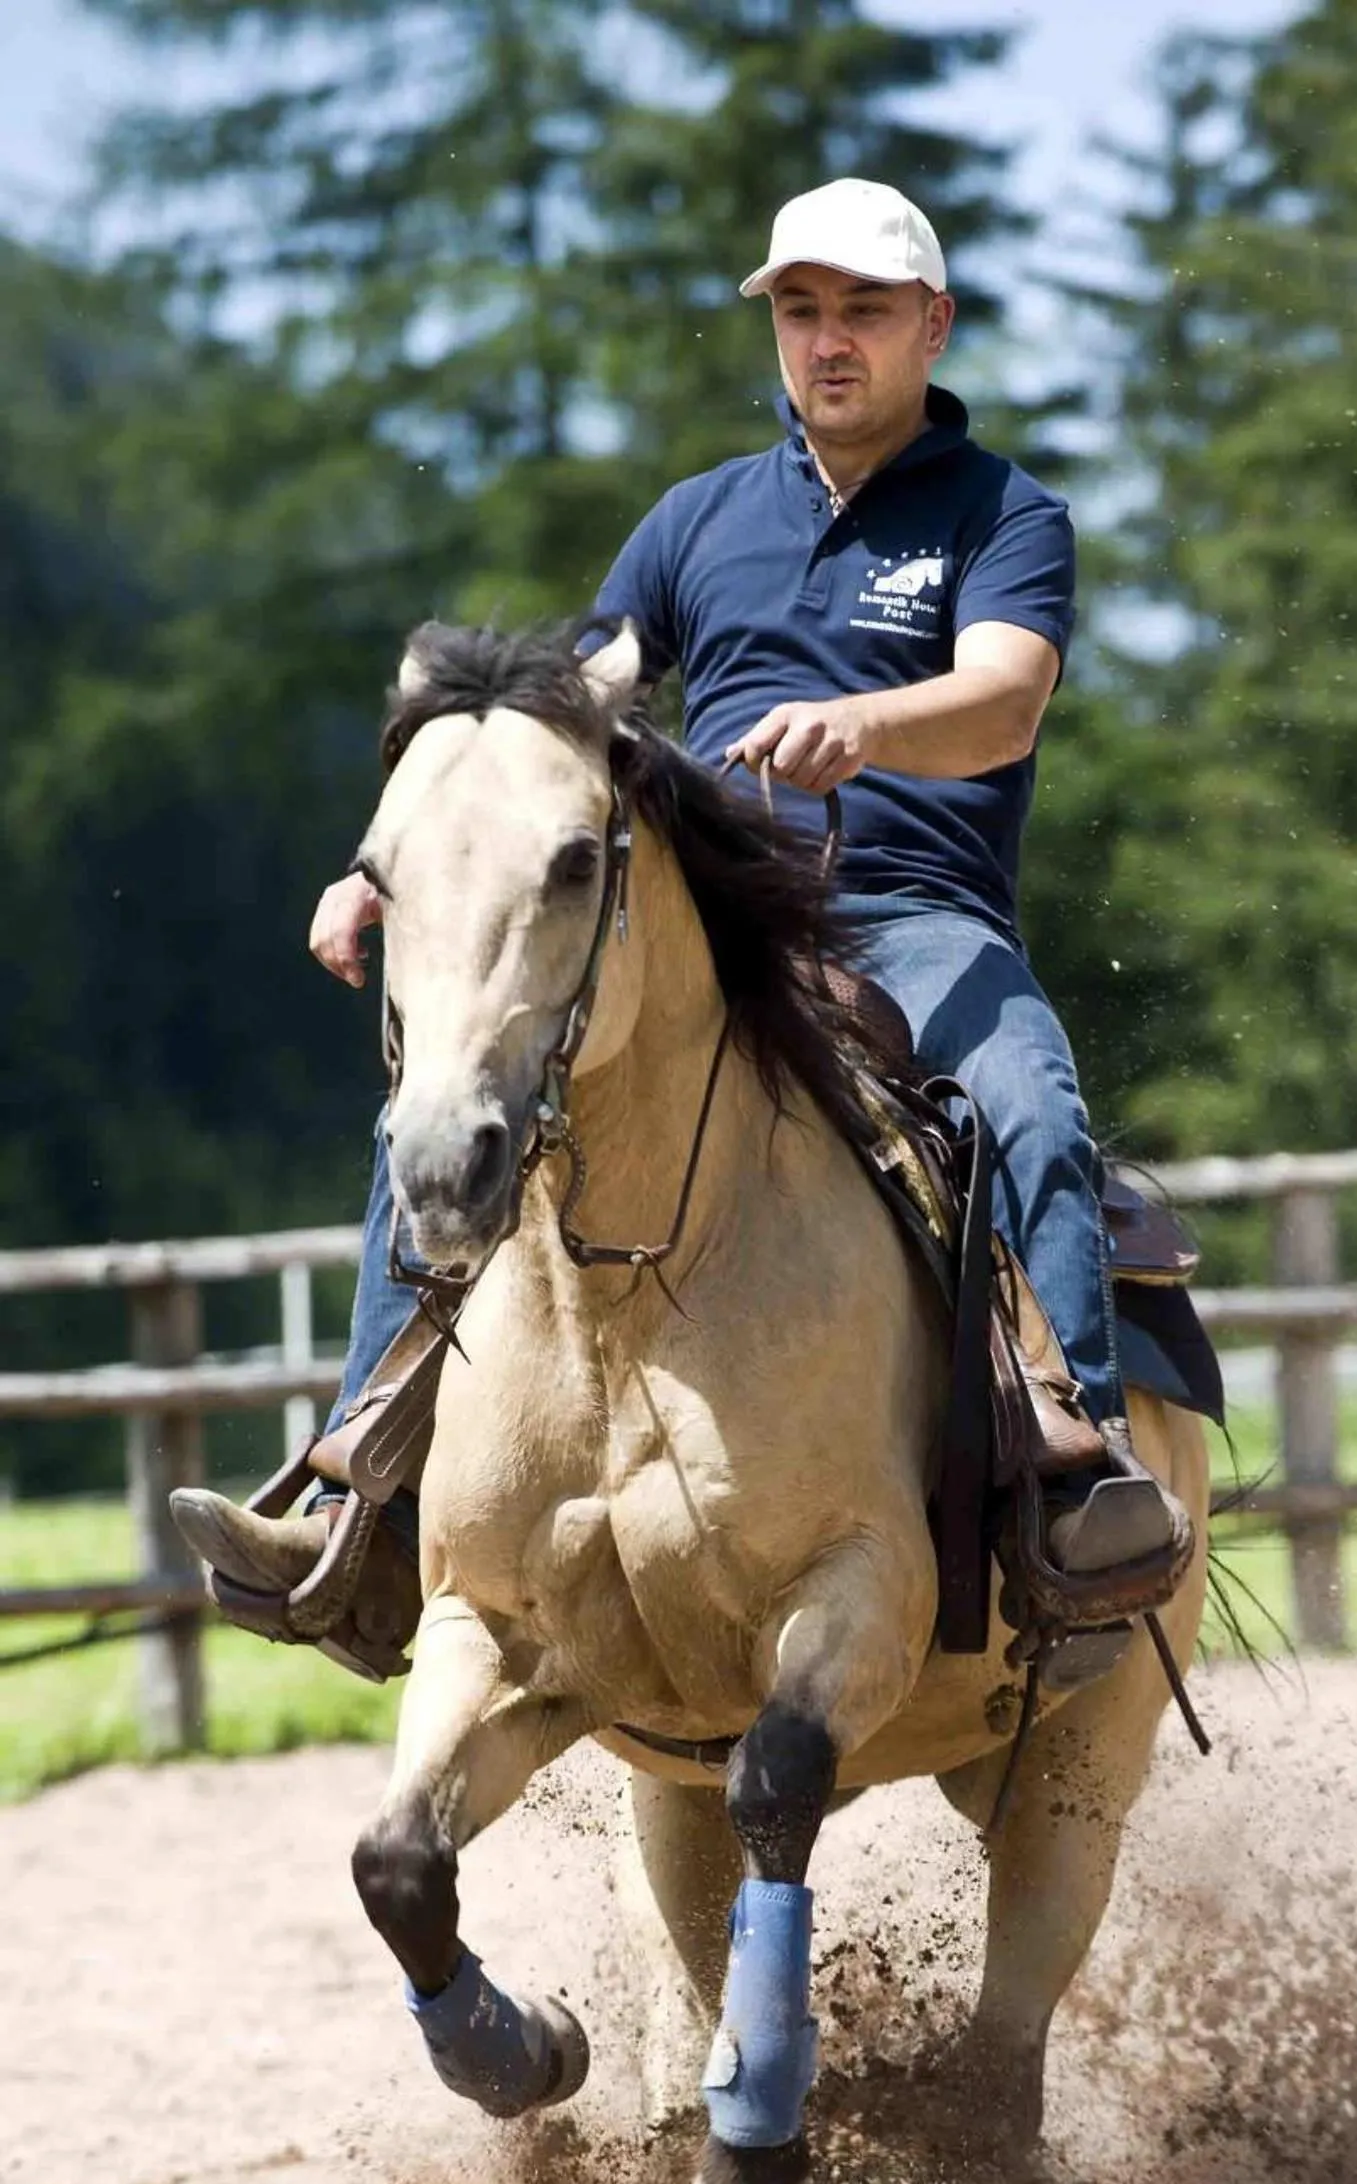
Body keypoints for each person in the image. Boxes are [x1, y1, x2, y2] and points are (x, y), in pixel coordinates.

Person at [178, 177, 1186, 1614]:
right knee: (443, 1095)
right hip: (706, 926)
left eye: (862, 312)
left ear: (934, 328)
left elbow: (1008, 703)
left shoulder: (1005, 515)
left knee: (1028, 1095)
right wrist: (369, 870)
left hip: (920, 916)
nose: (827, 341)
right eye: (800, 312)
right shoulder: (696, 520)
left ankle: (1074, 1468)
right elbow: (536, 732)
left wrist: (872, 728)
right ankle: (363, 1498)